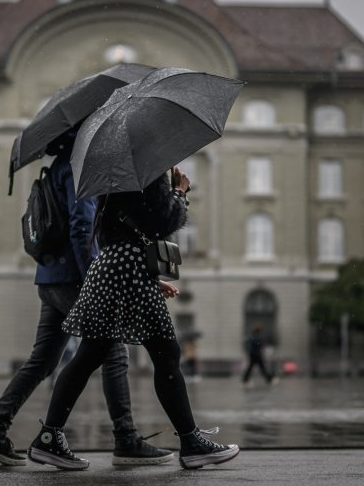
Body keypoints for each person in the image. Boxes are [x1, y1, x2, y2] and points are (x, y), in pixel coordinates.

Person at [0, 131, 172, 467]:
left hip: (51, 276)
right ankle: (125, 439)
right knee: (115, 353)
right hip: (73, 278)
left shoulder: (57, 168)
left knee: (44, 359)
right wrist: (96, 278)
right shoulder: (80, 170)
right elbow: (81, 228)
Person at [27, 166, 240, 470]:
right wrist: (179, 192)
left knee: (92, 353)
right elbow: (161, 223)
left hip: (115, 266)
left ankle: (49, 438)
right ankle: (192, 443)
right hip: (129, 268)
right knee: (166, 354)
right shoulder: (144, 169)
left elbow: (124, 227)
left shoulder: (115, 171)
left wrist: (151, 279)